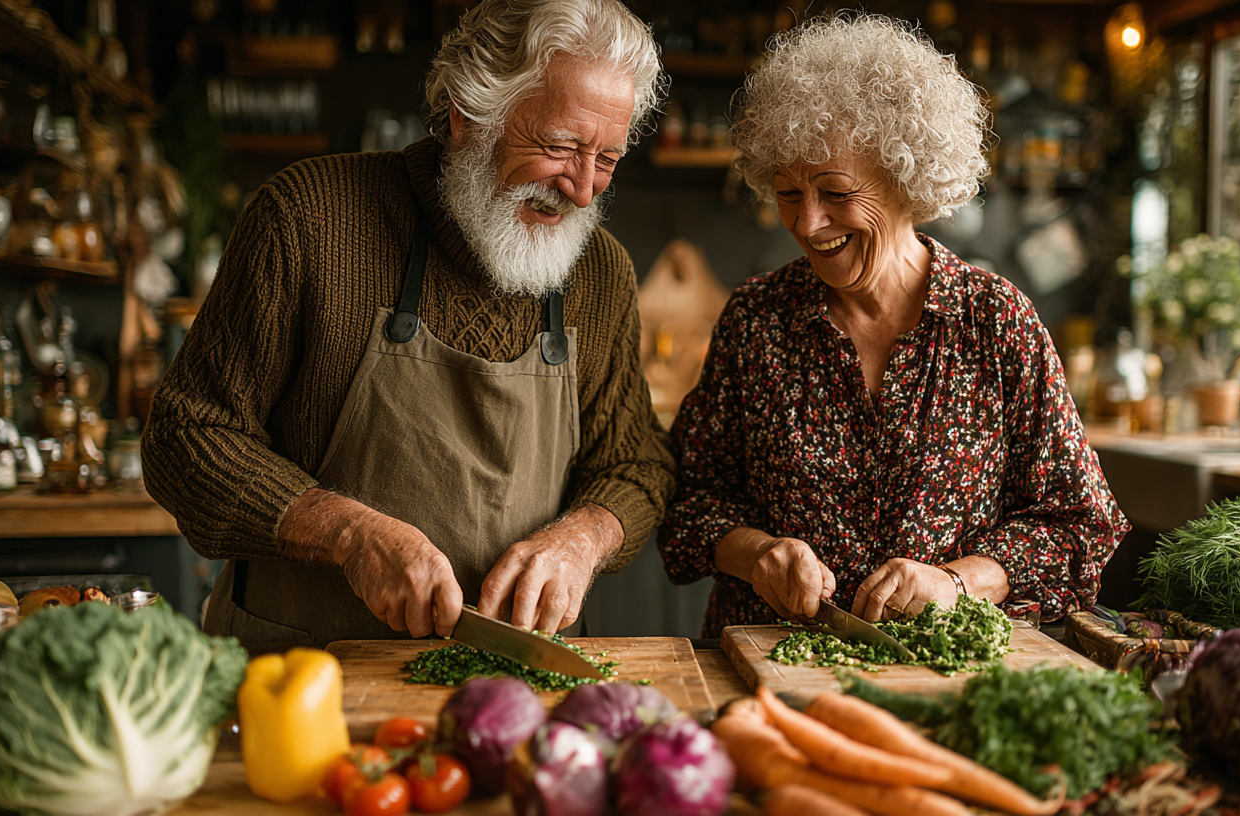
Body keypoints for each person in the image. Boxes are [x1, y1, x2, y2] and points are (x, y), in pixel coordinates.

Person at [142, 0, 674, 652]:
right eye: (560, 147)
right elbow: (185, 437)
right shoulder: (307, 218)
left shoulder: (600, 275)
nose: (584, 190)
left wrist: (583, 538)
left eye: (608, 158)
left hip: (514, 683)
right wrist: (345, 531)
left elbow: (637, 465)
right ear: (465, 116)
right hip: (303, 679)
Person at [657, 15, 1128, 638]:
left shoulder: (993, 321)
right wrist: (757, 552)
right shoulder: (756, 320)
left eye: (835, 192)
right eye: (789, 193)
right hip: (771, 665)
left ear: (907, 181)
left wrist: (956, 582)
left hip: (945, 670)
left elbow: (1079, 522)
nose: (809, 223)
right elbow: (689, 501)